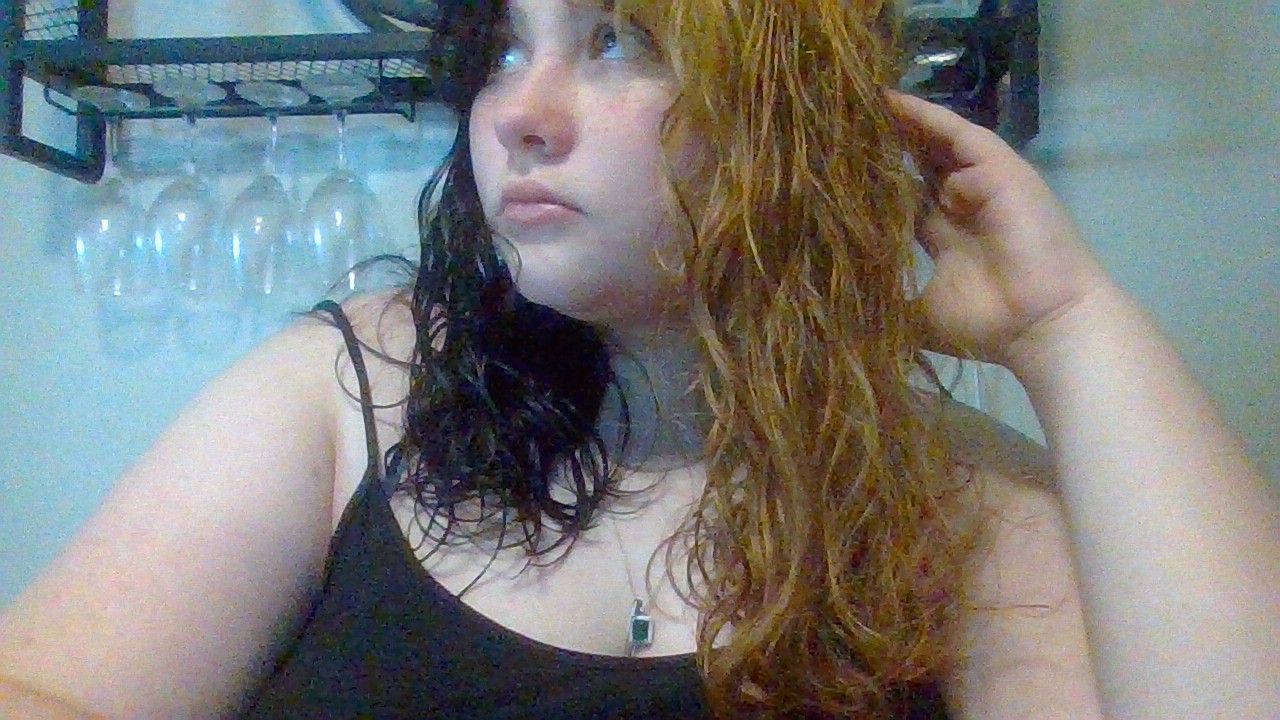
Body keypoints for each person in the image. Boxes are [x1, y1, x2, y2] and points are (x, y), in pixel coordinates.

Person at [2, 1, 1277, 718]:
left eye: (614, 38)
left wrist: (1066, 325)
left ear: (785, 110)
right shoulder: (346, 396)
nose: (517, 112)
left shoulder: (960, 505)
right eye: (505, 48)